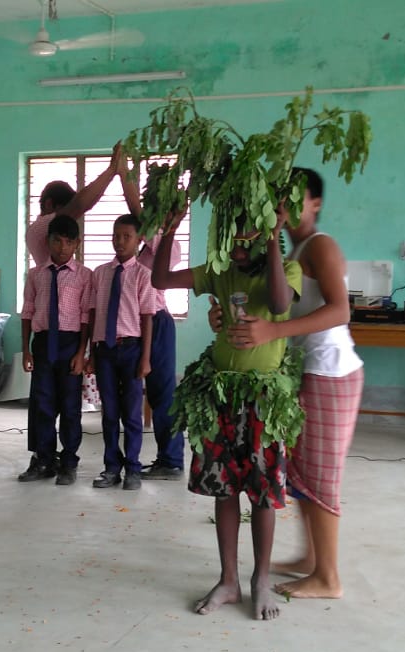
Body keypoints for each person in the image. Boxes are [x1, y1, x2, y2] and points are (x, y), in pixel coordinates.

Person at [220, 168, 364, 601]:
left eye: (297, 198)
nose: (286, 206)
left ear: (316, 203)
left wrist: (274, 332)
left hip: (330, 372)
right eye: (282, 198)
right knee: (301, 473)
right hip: (307, 372)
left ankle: (328, 577)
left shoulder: (320, 246)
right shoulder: (291, 249)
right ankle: (310, 558)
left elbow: (340, 311)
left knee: (321, 477)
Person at [153, 207, 303, 621]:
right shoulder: (221, 271)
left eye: (244, 244)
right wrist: (170, 228)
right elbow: (161, 280)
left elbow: (279, 302)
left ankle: (261, 580)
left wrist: (272, 237)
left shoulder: (286, 269)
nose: (235, 252)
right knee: (224, 490)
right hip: (221, 395)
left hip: (264, 399)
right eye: (229, 243)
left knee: (263, 493)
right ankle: (229, 580)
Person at [119, 156, 186, 480]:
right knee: (140, 393)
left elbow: (137, 213)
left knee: (162, 393)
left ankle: (171, 460)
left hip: (156, 322)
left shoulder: (166, 242)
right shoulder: (144, 244)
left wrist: (123, 173)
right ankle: (159, 458)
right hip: (134, 323)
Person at [17, 215, 93, 485]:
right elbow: (27, 311)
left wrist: (81, 352)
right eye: (57, 241)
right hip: (42, 343)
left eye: (68, 242)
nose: (62, 247)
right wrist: (25, 350)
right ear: (48, 241)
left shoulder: (84, 275)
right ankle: (44, 459)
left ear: (77, 244)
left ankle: (69, 462)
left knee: (70, 407)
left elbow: (86, 317)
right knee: (43, 405)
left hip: (70, 345)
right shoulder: (36, 274)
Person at [86, 214, 156, 491]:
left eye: (127, 237)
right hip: (104, 350)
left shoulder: (143, 275)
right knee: (109, 413)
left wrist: (146, 358)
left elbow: (147, 317)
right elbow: (93, 314)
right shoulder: (100, 273)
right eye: (116, 236)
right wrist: (92, 352)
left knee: (132, 414)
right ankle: (111, 468)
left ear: (139, 240)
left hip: (131, 350)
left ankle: (133, 469)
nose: (120, 241)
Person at [24, 143, 123, 268]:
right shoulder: (38, 228)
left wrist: (113, 173)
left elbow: (84, 206)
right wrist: (111, 170)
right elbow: (80, 205)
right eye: (65, 209)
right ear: (49, 204)